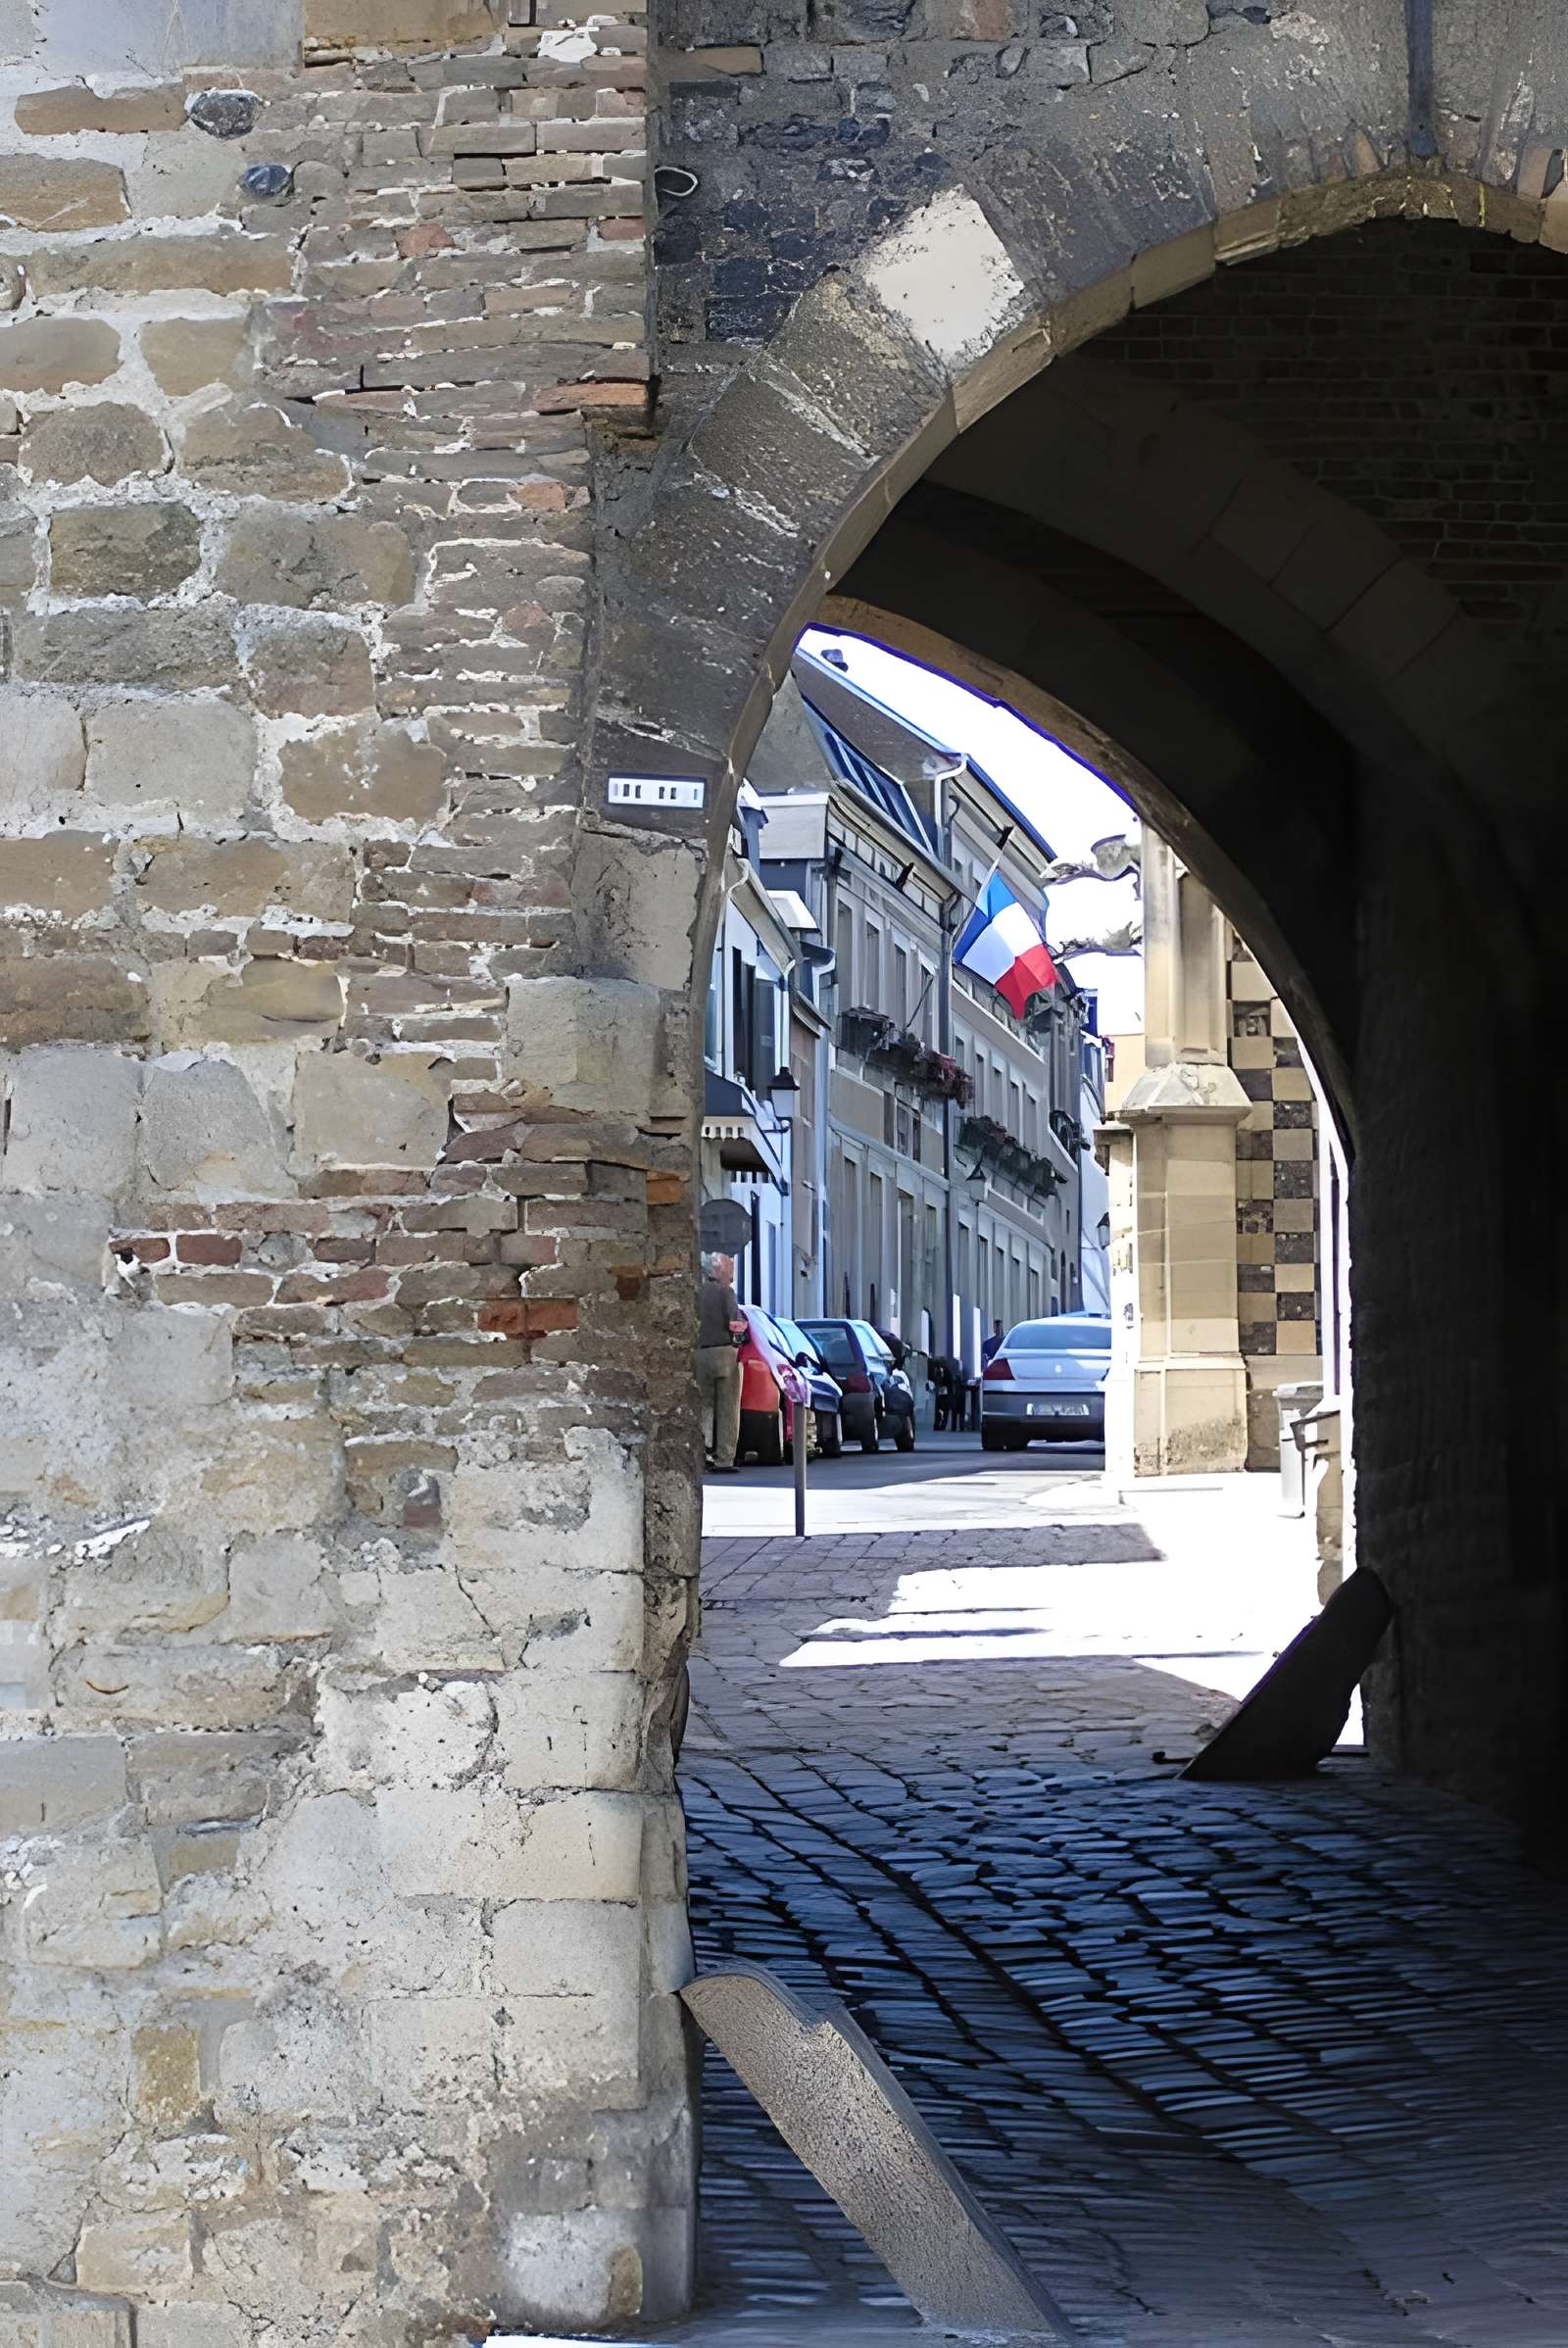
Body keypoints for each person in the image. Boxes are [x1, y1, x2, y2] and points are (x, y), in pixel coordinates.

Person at [698, 1249, 746, 1472]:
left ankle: (704, 1449)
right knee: (728, 1407)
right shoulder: (726, 1292)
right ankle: (725, 1457)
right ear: (720, 1272)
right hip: (724, 1352)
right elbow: (733, 1322)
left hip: (699, 1353)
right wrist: (740, 1334)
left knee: (703, 1404)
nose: (732, 1277)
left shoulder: (695, 1292)